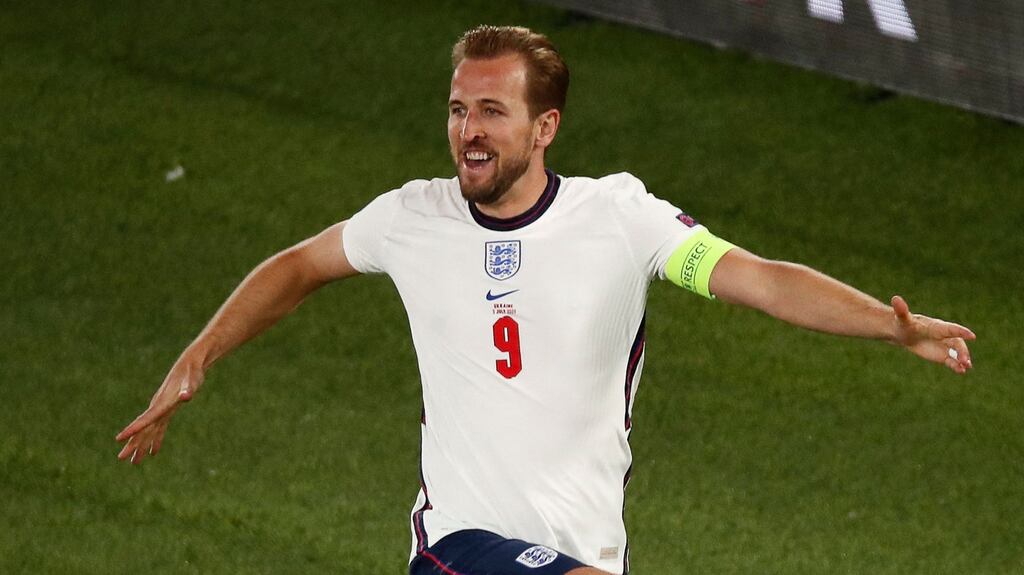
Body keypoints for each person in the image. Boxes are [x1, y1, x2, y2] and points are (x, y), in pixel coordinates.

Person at [116, 25, 975, 575]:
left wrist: (885, 327)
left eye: (491, 110)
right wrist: (197, 359)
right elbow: (298, 266)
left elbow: (756, 278)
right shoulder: (412, 217)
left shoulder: (621, 216)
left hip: (588, 550)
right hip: (457, 549)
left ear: (545, 127)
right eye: (458, 110)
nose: (468, 131)